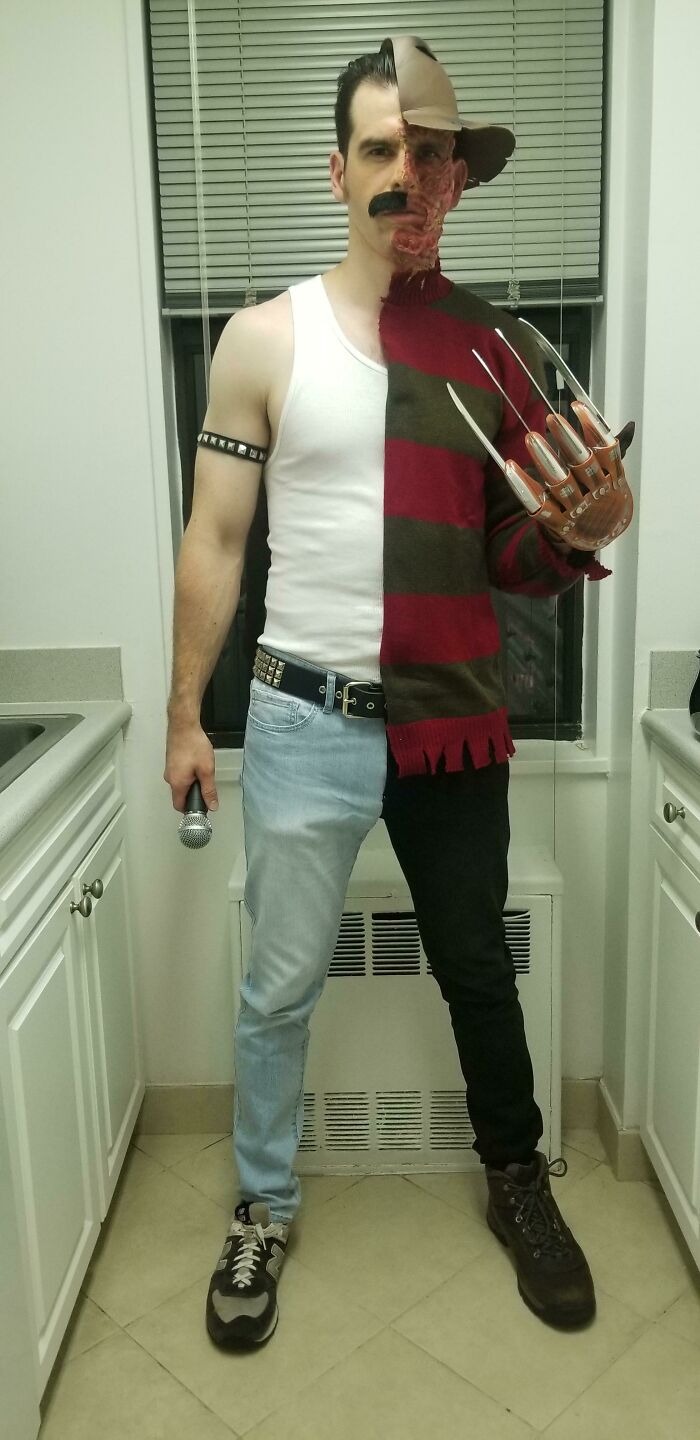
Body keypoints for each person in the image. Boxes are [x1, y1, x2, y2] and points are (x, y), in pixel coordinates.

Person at [164, 36, 632, 1350]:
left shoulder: (498, 351)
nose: (408, 177)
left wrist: (581, 527)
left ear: (456, 181)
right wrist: (185, 713)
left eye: (431, 156)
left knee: (479, 966)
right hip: (301, 719)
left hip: (454, 720)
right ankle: (262, 1206)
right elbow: (215, 540)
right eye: (382, 150)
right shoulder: (262, 340)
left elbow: (517, 554)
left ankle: (518, 1181)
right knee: (277, 988)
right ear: (339, 170)